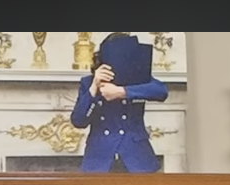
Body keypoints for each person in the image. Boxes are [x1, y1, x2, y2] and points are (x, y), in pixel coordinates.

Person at [69, 33, 168, 173]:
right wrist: (94, 87)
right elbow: (78, 121)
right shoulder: (88, 82)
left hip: (136, 156)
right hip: (99, 156)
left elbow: (161, 91)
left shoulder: (138, 78)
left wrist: (122, 92)